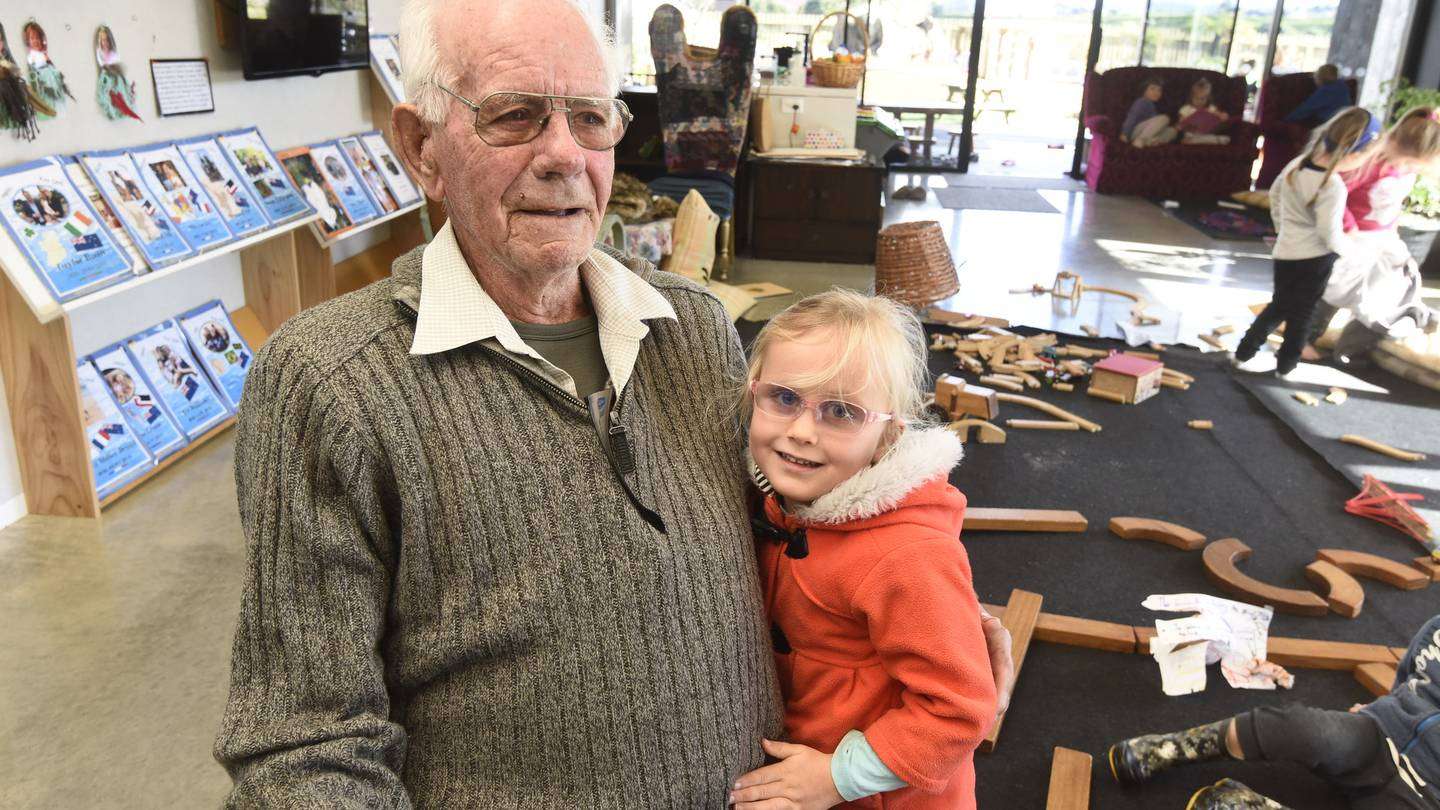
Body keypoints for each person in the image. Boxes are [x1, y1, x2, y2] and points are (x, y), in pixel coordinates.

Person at [210, 0, 1021, 804]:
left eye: (591, 118)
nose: (565, 156)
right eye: (516, 115)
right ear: (423, 147)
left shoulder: (690, 324)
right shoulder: (335, 382)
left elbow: (788, 525)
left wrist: (927, 612)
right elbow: (303, 744)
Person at [729, 290, 996, 810]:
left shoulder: (908, 557)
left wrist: (837, 778)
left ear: (888, 436)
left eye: (841, 412)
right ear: (752, 393)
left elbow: (958, 708)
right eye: (784, 398)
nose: (802, 431)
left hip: (883, 794)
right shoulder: (774, 503)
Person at [1105, 613, 1440, 808]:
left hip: (1423, 798)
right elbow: (1411, 671)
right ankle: (1177, 745)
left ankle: (1250, 804)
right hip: (1381, 735)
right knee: (1302, 728)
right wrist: (1388, 701)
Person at [1231, 107, 1379, 379]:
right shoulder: (1331, 186)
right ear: (1354, 153)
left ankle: (1244, 353)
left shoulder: (1297, 165)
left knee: (1280, 305)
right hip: (1314, 261)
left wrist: (1284, 228)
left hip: (1285, 252)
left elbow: (1275, 196)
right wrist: (1355, 253)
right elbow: (1330, 234)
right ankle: (1286, 366)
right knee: (1301, 314)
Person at [1307, 107, 1440, 363]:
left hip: (1383, 240)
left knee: (1387, 292)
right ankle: (1304, 338)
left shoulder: (1405, 168)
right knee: (1333, 289)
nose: (1406, 167)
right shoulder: (1368, 165)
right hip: (1353, 238)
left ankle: (1352, 348)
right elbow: (1333, 195)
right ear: (1394, 144)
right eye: (1407, 162)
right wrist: (1348, 227)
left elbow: (1390, 207)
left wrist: (1391, 234)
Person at [1284, 63, 1352, 128]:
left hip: (1331, 123)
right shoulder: (1342, 86)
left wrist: (1286, 120)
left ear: (1319, 77)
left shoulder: (1326, 91)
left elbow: (1307, 108)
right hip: (1346, 121)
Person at [1122, 76, 1177, 148]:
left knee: (1172, 131)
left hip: (1147, 133)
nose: (1156, 92)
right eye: (1152, 89)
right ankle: (1140, 140)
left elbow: (1156, 126)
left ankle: (1151, 141)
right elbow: (1132, 117)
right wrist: (1124, 134)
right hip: (1136, 132)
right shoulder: (1141, 101)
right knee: (1165, 118)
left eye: (1159, 90)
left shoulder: (1153, 106)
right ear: (1144, 90)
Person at [1176, 78, 1231, 145]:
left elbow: (1221, 116)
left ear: (1207, 98)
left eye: (1202, 99)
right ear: (1191, 97)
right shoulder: (1186, 108)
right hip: (1190, 133)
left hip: (1206, 131)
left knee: (1203, 136)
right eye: (1196, 98)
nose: (1199, 101)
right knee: (1189, 137)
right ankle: (1216, 139)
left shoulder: (1210, 108)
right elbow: (1181, 122)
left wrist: (1223, 116)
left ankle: (1212, 139)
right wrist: (1183, 123)